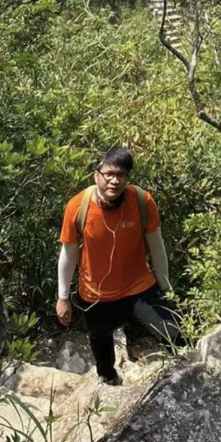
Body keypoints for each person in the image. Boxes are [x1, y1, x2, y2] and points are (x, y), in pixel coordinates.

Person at [56, 145, 185, 385]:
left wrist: (166, 287)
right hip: (96, 296)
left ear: (127, 177)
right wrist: (63, 297)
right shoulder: (77, 206)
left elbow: (157, 247)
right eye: (109, 174)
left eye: (121, 175)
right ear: (97, 174)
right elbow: (69, 253)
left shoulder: (141, 201)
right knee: (103, 361)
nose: (114, 181)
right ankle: (111, 382)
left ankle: (189, 380)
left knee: (175, 335)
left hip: (139, 289)